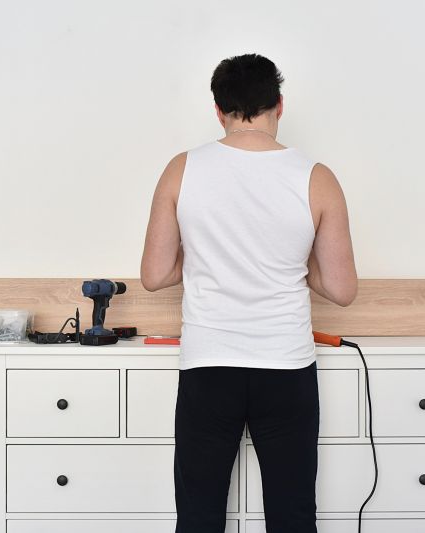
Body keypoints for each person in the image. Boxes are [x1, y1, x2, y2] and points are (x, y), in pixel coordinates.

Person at [140, 53, 358, 533]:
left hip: (208, 365)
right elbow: (341, 289)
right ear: (279, 104)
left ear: (218, 110)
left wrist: (203, 254)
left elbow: (154, 276)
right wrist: (293, 264)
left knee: (198, 517)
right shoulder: (316, 177)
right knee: (292, 516)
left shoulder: (182, 169)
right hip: (286, 366)